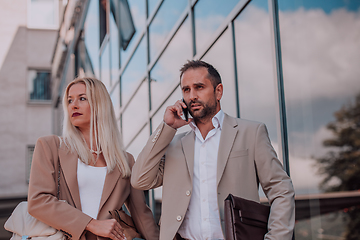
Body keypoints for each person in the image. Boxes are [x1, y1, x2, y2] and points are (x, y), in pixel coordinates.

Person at [131, 60, 295, 240]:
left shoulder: (251, 133)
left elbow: (281, 190)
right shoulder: (174, 144)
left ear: (218, 91)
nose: (192, 95)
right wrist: (167, 127)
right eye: (186, 90)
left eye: (199, 87)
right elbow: (140, 180)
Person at [28, 77, 159, 240]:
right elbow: (39, 201)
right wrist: (91, 224)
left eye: (82, 98)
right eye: (70, 101)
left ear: (100, 104)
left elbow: (142, 215)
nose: (73, 105)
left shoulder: (125, 161)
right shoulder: (50, 146)